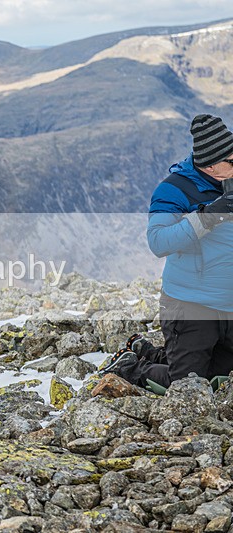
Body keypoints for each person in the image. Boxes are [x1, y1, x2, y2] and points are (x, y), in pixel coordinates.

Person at [101, 114, 233, 388]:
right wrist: (209, 216)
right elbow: (159, 242)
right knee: (186, 385)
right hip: (192, 305)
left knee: (221, 378)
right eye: (231, 161)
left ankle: (147, 350)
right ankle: (131, 366)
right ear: (209, 165)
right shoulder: (174, 190)